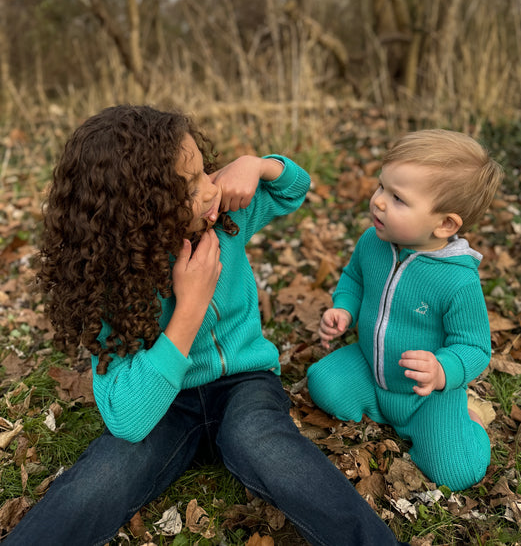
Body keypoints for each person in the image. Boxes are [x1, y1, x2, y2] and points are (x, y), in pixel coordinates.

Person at [5, 105, 408, 546]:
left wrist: (257, 164)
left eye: (204, 171)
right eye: (191, 185)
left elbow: (295, 188)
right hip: (164, 405)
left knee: (265, 443)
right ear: (141, 210)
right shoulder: (111, 284)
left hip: (244, 382)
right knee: (102, 477)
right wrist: (189, 309)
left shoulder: (227, 221)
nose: (210, 189)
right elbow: (128, 420)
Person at [307, 129, 503, 492]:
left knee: (458, 472)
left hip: (425, 396)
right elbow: (354, 279)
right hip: (371, 367)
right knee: (322, 382)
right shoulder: (373, 242)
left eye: (397, 198)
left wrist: (443, 370)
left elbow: (475, 347)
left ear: (445, 223)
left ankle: (469, 420)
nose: (378, 201)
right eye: (382, 187)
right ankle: (382, 410)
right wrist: (344, 309)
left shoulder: (457, 282)